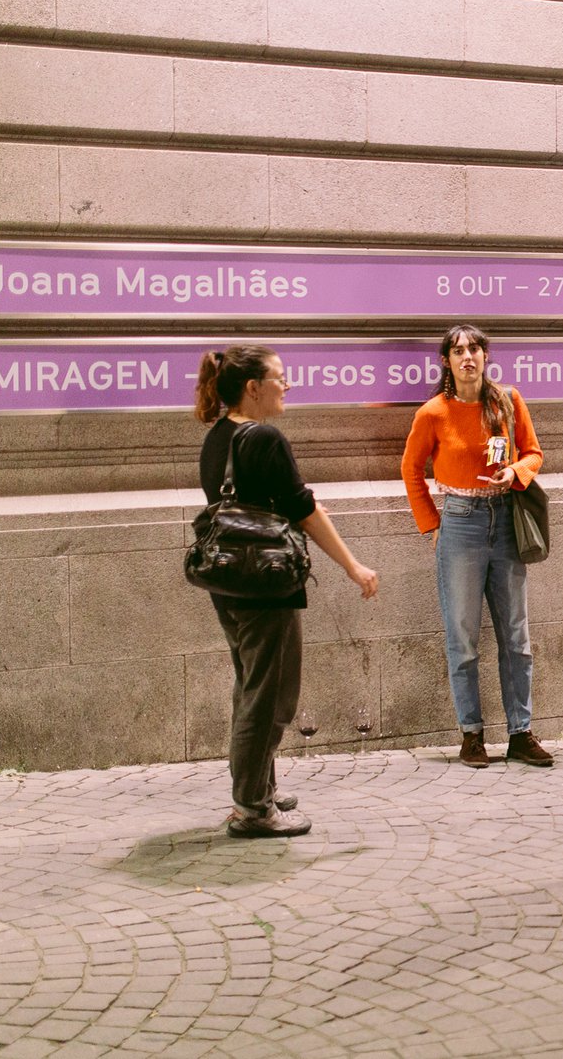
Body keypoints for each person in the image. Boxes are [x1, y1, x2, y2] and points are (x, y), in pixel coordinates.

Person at [195, 345, 378, 838]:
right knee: (270, 697)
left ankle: (258, 786)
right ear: (253, 387)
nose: (287, 384)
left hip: (230, 585)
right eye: (279, 377)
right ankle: (253, 807)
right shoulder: (265, 439)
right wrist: (352, 565)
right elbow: (304, 509)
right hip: (265, 587)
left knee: (251, 687)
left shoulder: (219, 437)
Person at [401, 325, 551, 770]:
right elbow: (410, 469)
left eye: (475, 349)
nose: (468, 356)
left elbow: (534, 452)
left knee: (516, 636)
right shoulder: (433, 413)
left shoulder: (507, 401)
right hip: (460, 523)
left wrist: (517, 473)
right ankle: (471, 735)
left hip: (506, 520)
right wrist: (432, 525)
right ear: (446, 361)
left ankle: (520, 733)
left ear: (486, 356)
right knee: (462, 637)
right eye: (458, 350)